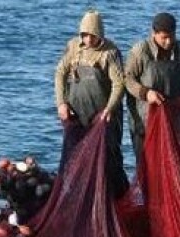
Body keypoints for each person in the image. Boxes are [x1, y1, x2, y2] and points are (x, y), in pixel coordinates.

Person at [54, 9, 128, 196]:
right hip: (78, 114)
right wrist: (61, 103)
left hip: (103, 116)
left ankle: (116, 198)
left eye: (92, 36)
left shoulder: (110, 52)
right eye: (85, 35)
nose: (88, 40)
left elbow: (119, 83)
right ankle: (78, 197)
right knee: (76, 157)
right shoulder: (73, 47)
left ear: (99, 34)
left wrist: (110, 108)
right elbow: (60, 73)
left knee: (109, 159)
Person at [125, 12, 180, 168]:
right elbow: (127, 79)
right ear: (153, 33)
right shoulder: (140, 51)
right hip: (144, 121)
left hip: (174, 120)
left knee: (178, 166)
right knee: (148, 169)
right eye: (164, 38)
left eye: (171, 37)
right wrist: (146, 93)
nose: (168, 42)